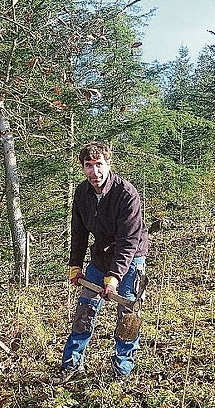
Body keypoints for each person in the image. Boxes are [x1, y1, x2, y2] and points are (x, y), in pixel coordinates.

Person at [51, 141, 149, 385]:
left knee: (128, 314)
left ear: (108, 164)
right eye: (88, 166)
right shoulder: (82, 193)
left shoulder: (126, 194)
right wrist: (75, 264)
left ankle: (122, 369)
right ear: (82, 168)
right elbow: (79, 232)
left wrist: (114, 277)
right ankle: (72, 364)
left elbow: (129, 240)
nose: (94, 172)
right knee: (85, 309)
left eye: (99, 165)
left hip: (131, 256)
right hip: (100, 256)